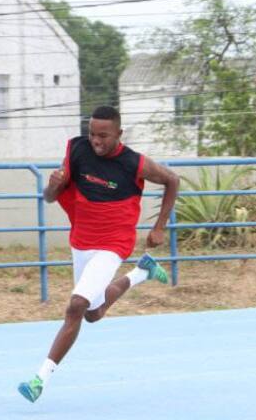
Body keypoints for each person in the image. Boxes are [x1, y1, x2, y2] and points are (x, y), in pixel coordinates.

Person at [18, 105, 180, 402]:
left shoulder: (135, 163)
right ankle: (141, 272)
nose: (96, 141)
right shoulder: (78, 151)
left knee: (76, 306)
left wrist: (159, 227)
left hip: (113, 244)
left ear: (119, 133)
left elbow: (172, 180)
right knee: (92, 313)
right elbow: (51, 198)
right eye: (92, 134)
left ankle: (39, 379)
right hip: (81, 242)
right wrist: (51, 187)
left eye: (103, 136)